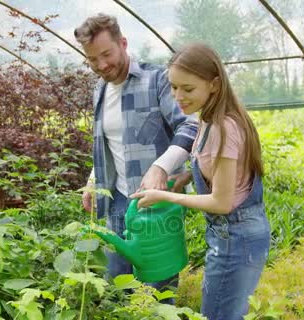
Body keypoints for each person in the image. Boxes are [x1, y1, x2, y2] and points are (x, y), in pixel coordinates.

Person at [131, 43, 271, 320]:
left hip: (236, 237)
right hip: (231, 235)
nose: (177, 96)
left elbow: (221, 201)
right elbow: (218, 171)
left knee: (218, 314)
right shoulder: (208, 119)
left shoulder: (222, 127)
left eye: (188, 88)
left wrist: (166, 197)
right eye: (173, 87)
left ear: (214, 84)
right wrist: (182, 178)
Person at [74, 13, 198, 296]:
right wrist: (93, 180)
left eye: (107, 54)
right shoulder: (100, 90)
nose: (102, 65)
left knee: (156, 293)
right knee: (118, 286)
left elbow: (189, 125)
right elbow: (106, 142)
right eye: (93, 59)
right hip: (118, 201)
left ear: (123, 43)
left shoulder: (158, 80)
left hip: (156, 204)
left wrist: (161, 168)